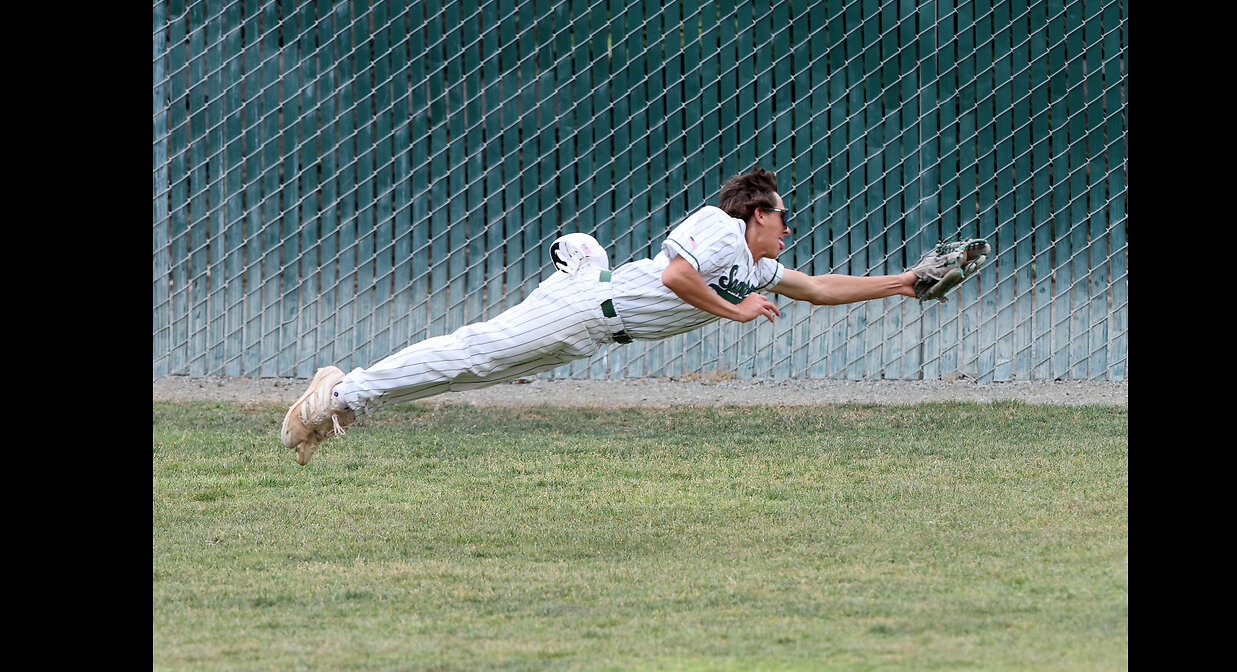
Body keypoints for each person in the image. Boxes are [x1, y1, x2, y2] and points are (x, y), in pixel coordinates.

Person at [281, 168, 990, 465]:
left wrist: (901, 284)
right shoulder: (719, 227)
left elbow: (816, 287)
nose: (787, 230)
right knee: (477, 355)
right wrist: (736, 312)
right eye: (782, 218)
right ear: (754, 213)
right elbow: (681, 276)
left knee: (495, 348)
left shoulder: (755, 265)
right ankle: (338, 396)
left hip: (595, 318)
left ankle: (578, 253)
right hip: (590, 312)